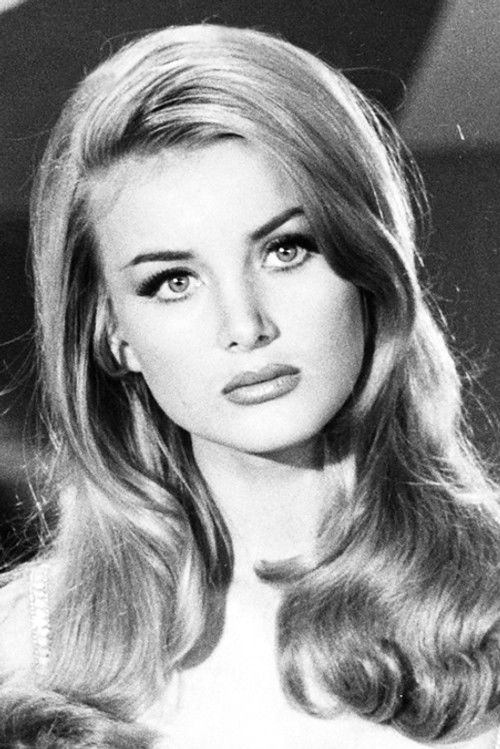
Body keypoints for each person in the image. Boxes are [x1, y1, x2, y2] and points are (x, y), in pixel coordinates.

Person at [0, 22, 499, 749]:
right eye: (173, 281)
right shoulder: (26, 648)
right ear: (112, 332)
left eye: (286, 248)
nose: (245, 325)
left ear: (366, 259)